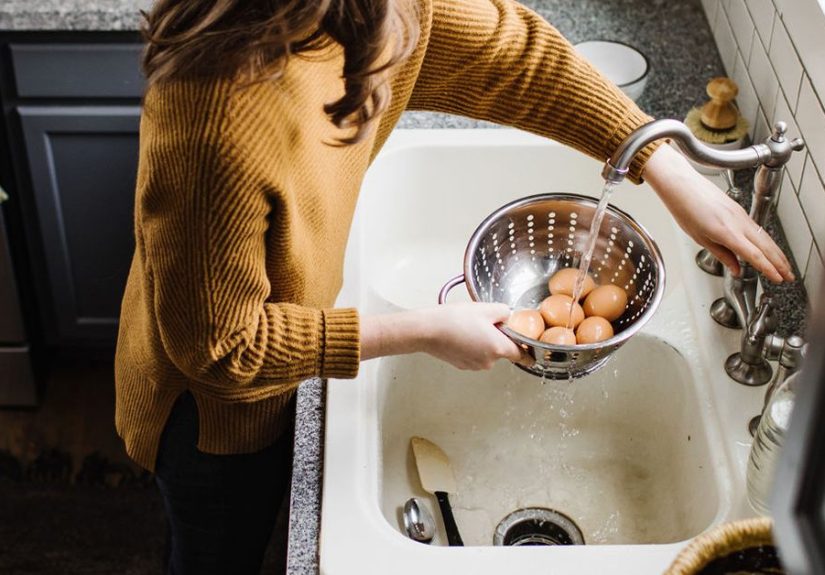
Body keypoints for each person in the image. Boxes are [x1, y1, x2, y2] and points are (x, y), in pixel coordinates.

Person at [114, 0, 794, 573]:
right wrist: (424, 331)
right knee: (220, 552)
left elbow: (511, 57)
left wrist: (660, 162)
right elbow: (221, 348)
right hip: (216, 419)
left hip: (289, 347)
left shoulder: (367, 13)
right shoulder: (216, 116)